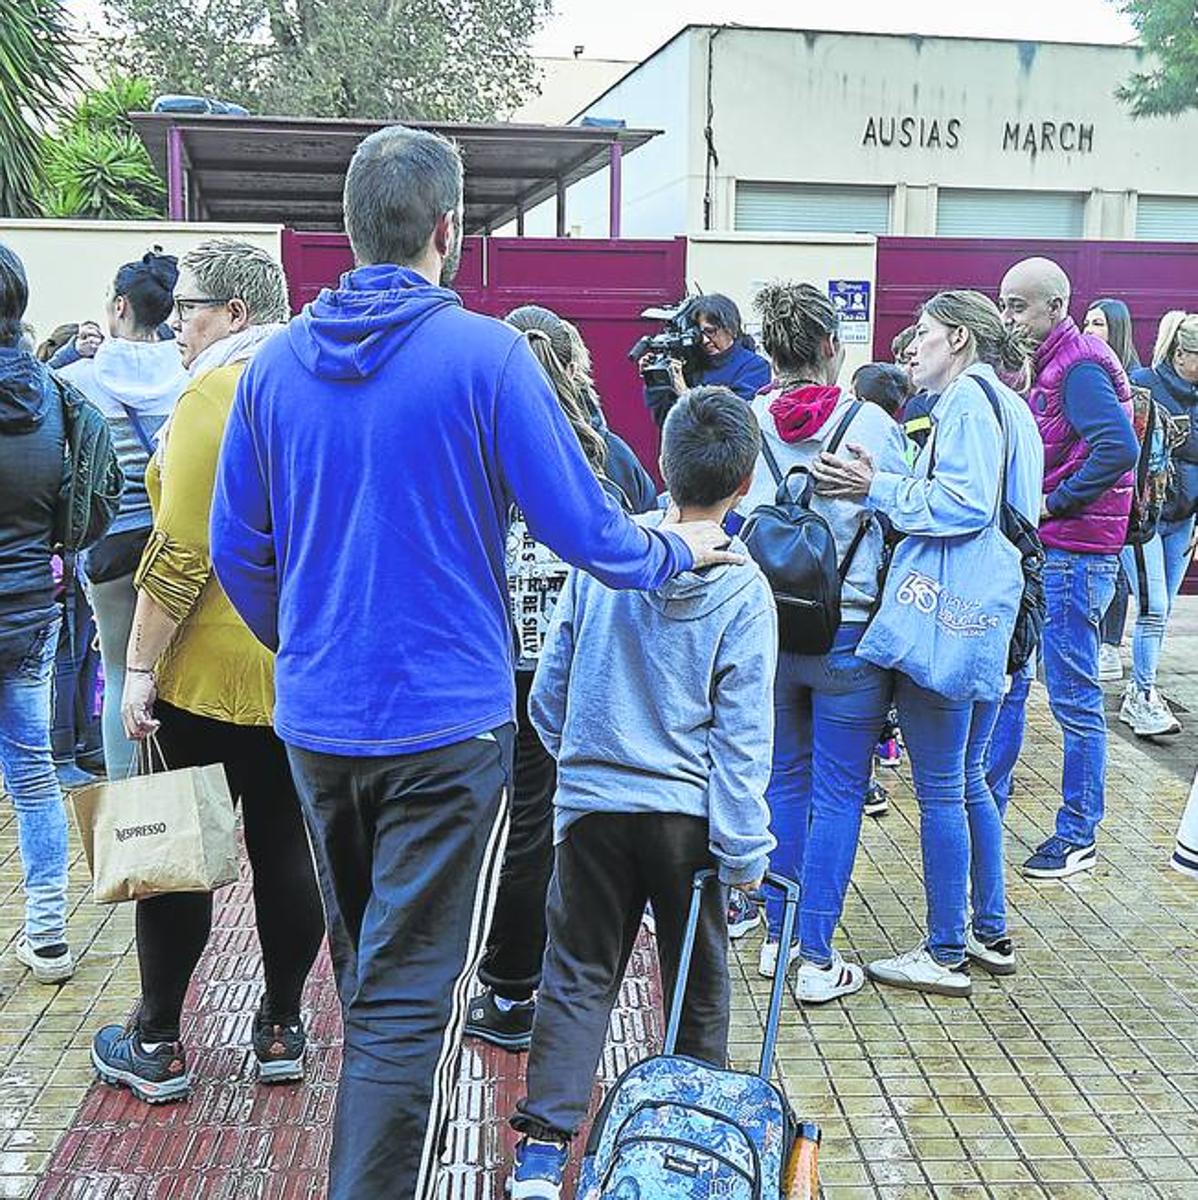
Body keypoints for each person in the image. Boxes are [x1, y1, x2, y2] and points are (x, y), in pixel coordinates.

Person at [207, 125, 739, 1200]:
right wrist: (680, 541)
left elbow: (235, 552)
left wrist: (305, 648)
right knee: (404, 1000)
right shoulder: (489, 357)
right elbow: (590, 533)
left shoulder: (270, 369)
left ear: (352, 233)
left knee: (372, 979)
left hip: (317, 721)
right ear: (449, 230)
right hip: (447, 728)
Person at [507, 386, 776, 1199]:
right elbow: (742, 740)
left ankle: (542, 1156)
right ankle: (691, 1150)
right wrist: (743, 850)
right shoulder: (745, 593)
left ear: (660, 465)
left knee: (579, 974)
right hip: (688, 818)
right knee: (695, 982)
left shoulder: (608, 564)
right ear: (746, 483)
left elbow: (548, 693)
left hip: (591, 806)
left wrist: (584, 761)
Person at [90, 238, 325, 1104]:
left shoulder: (218, 391)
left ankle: (156, 1039)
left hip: (207, 670)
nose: (174, 321)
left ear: (234, 312)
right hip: (296, 665)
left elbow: (182, 548)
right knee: (284, 844)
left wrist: (138, 668)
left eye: (187, 305)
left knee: (178, 851)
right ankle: (282, 1027)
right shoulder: (315, 382)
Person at [813, 290, 1042, 995]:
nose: (911, 347)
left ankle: (945, 949)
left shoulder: (967, 403)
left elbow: (964, 504)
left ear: (962, 343)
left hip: (946, 612)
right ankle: (987, 927)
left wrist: (875, 486)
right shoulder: (1010, 406)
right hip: (992, 611)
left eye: (925, 334)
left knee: (942, 785)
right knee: (967, 777)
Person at [463, 304, 656, 1052]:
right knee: (554, 818)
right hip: (577, 660)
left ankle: (505, 984)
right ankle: (544, 975)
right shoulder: (596, 450)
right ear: (571, 365)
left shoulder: (481, 442)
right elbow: (645, 525)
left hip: (488, 659)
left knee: (495, 824)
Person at [738, 282, 906, 996]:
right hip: (851, 635)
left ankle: (776, 935)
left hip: (769, 632)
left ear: (770, 350)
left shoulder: (747, 419)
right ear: (832, 346)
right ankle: (816, 957)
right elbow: (902, 515)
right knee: (840, 791)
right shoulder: (870, 422)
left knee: (782, 779)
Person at [990, 257, 1137, 879]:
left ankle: (1078, 834)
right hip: (1060, 550)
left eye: (1018, 306)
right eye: (1003, 304)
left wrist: (1055, 500)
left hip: (1074, 554)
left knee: (1074, 700)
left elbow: (1118, 446)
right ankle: (987, 807)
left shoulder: (1076, 366)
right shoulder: (1051, 362)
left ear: (1056, 307)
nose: (1008, 318)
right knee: (1018, 683)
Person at [59, 252, 187, 780]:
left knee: (118, 675)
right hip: (173, 547)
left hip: (109, 545)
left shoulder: (79, 378)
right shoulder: (188, 373)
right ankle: (181, 809)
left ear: (119, 305)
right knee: (173, 680)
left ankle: (126, 817)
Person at [0, 243, 76, 985]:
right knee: (33, 778)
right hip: (31, 609)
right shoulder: (52, 393)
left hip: (27, 604)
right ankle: (49, 933)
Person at [1120, 312, 1198, 735]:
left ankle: (1142, 690)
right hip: (1143, 518)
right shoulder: (1142, 385)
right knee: (1154, 608)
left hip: (1184, 519)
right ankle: (1141, 695)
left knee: (1159, 612)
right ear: (1182, 354)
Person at [1084, 299, 1142, 684]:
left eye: (1099, 324)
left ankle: (1110, 645)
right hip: (1094, 496)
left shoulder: (1134, 381)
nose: (1089, 330)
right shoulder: (1088, 374)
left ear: (1117, 330)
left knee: (1118, 570)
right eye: (1087, 322)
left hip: (1125, 498)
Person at [643, 293, 770, 426]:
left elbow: (734, 423)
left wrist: (686, 395)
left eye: (711, 331)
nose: (704, 341)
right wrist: (656, 378)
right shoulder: (690, 362)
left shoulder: (754, 367)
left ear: (732, 328)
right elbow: (664, 420)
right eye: (698, 334)